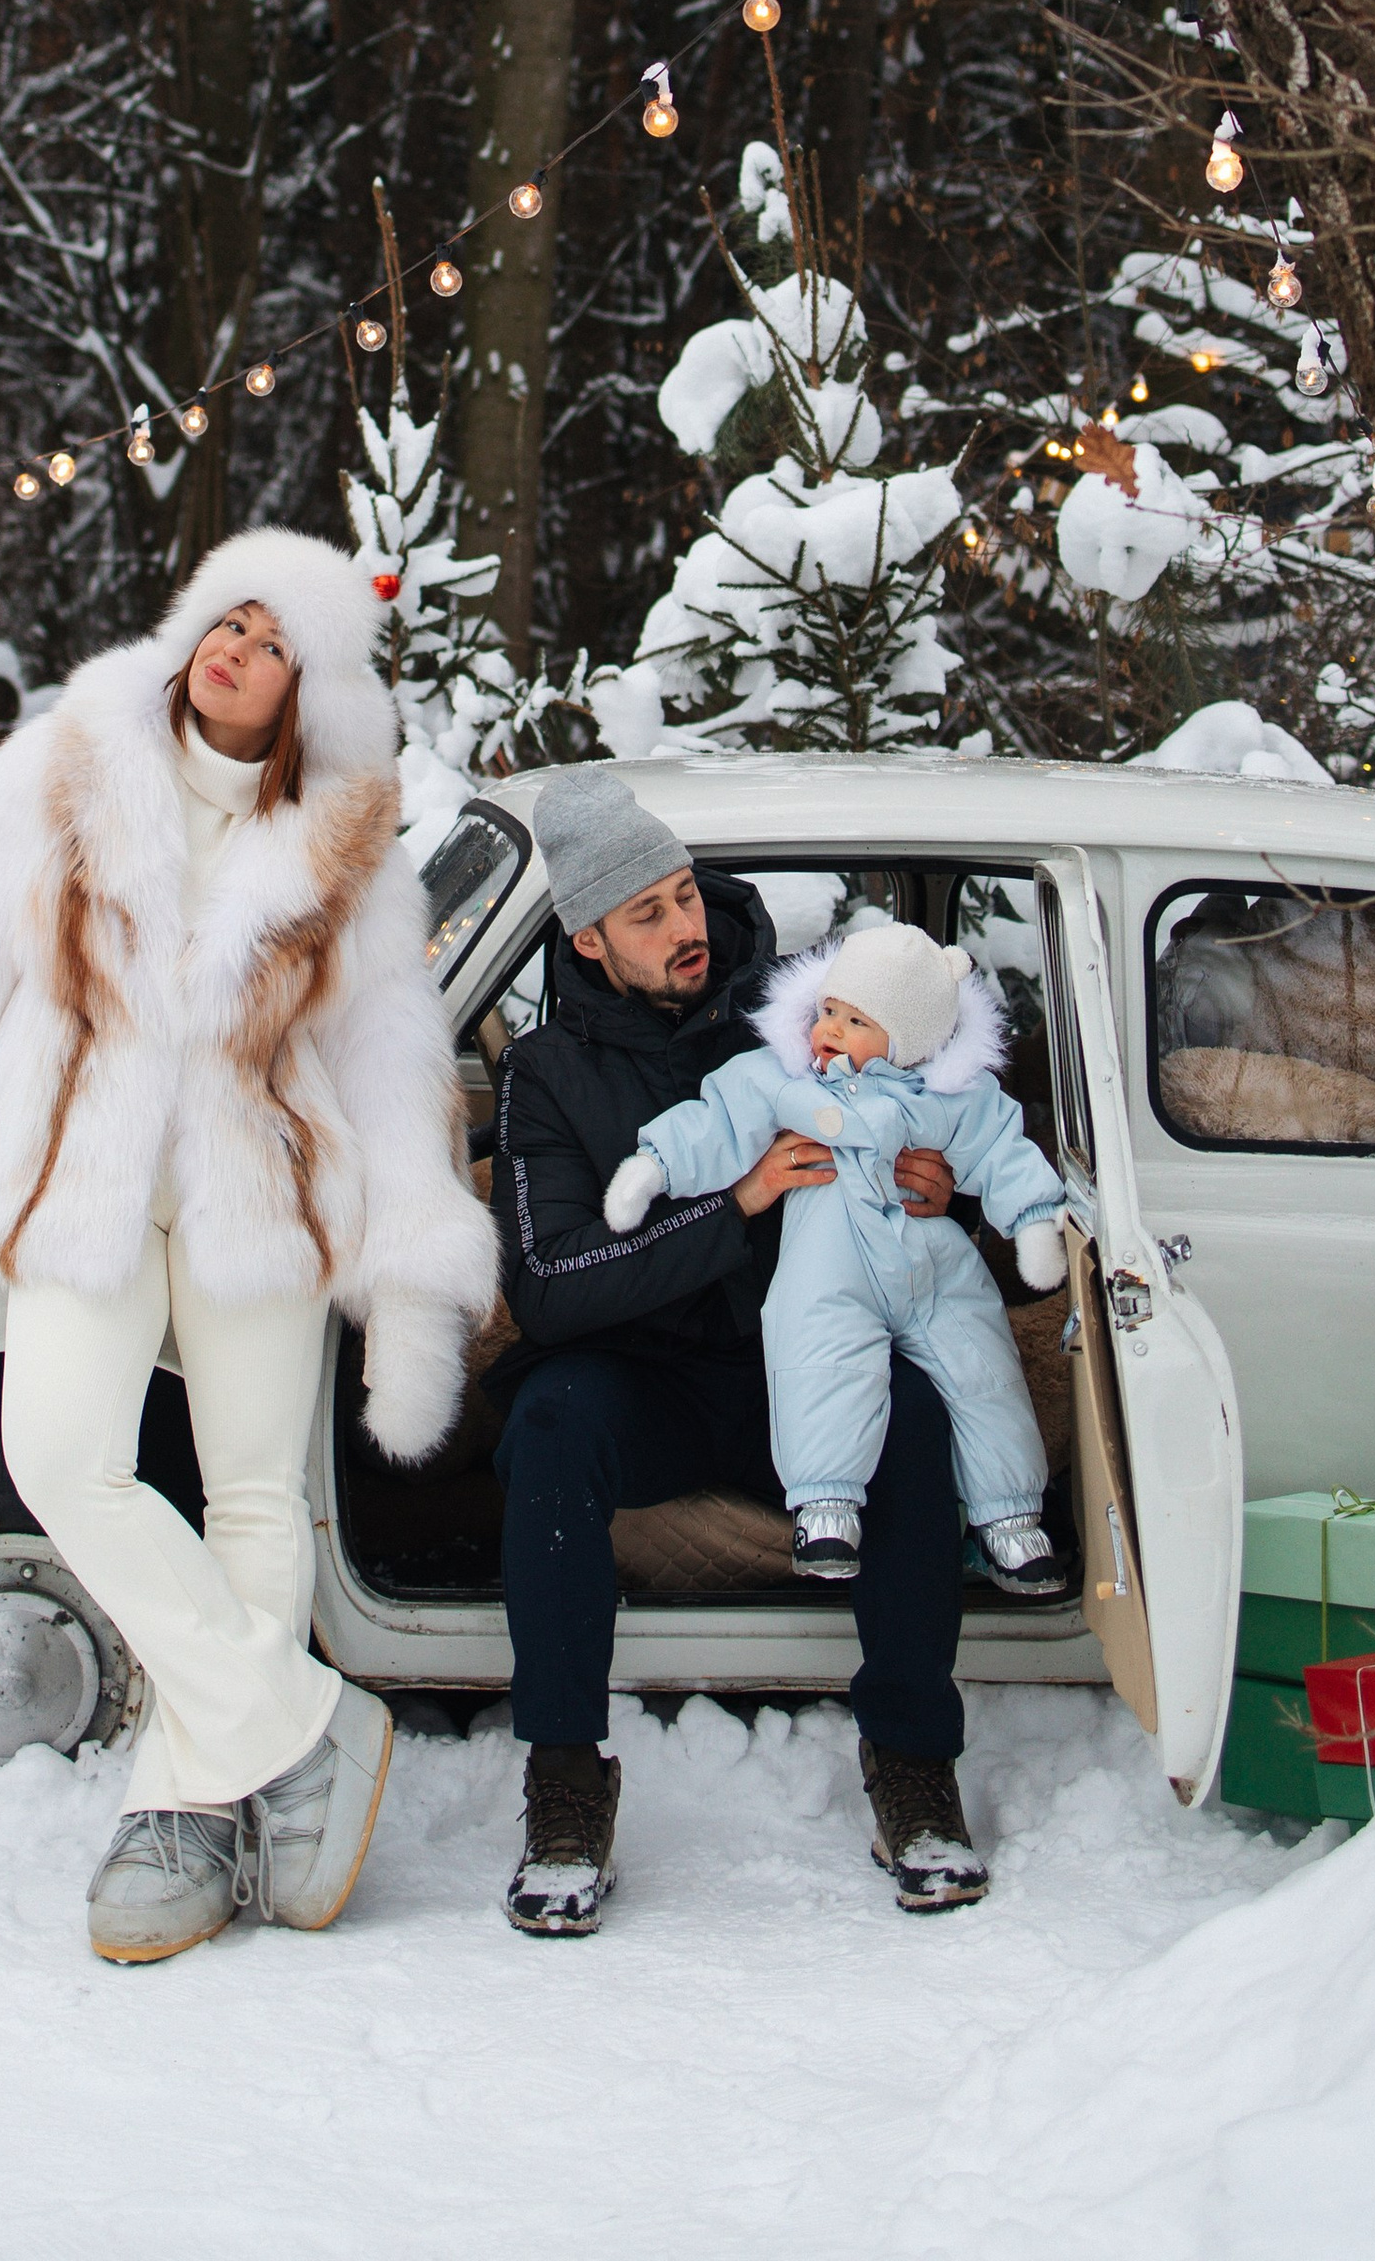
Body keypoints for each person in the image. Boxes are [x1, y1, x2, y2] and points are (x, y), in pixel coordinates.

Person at [0, 528, 498, 1964]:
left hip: (262, 1184)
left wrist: (416, 1255)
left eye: (270, 645)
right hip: (86, 1169)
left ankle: (189, 1814)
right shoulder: (64, 770)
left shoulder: (346, 840)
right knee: (64, 1455)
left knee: (252, 1495)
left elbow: (385, 1050)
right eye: (225, 622)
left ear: (301, 695)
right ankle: (303, 1726)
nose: (234, 652)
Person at [487, 766, 987, 1936]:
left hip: (802, 1367)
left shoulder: (799, 1020)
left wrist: (936, 1193)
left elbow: (924, 1113)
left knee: (913, 1419)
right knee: (548, 1424)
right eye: (648, 914)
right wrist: (734, 1204)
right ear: (587, 938)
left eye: (684, 897)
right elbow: (550, 1287)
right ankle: (565, 1779)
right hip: (638, 1379)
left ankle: (911, 1759)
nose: (684, 928)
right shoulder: (546, 1077)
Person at [603, 922, 1069, 1590]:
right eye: (828, 1010)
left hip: (930, 1264)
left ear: (906, 1039)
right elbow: (718, 1119)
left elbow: (1001, 1151)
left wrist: (1030, 1220)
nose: (828, 1028)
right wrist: (654, 1166)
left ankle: (1012, 1517)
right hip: (832, 1258)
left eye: (855, 1019)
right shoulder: (786, 1076)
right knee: (820, 1355)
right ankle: (824, 1503)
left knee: (984, 1369)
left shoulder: (948, 1094)